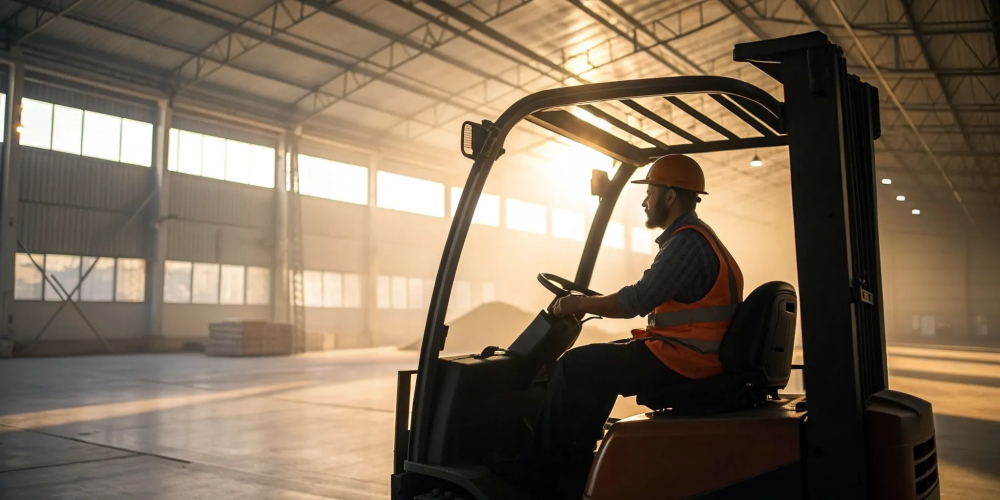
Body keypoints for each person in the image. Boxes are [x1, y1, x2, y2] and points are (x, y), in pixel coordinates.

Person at [487, 154, 744, 498]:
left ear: (670, 196)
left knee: (574, 367)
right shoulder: (698, 238)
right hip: (688, 352)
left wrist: (578, 303)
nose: (644, 201)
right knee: (597, 367)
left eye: (649, 192)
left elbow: (636, 300)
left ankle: (536, 470)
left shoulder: (686, 243)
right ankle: (574, 466)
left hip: (686, 359)